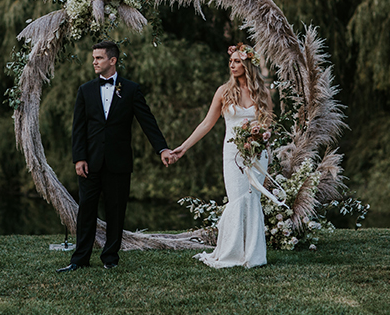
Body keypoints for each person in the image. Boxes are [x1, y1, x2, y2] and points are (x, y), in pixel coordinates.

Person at [57, 41, 174, 272]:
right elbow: (78, 128)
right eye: (93, 58)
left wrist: (162, 149)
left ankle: (110, 258)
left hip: (119, 162)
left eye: (99, 58)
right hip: (90, 162)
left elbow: (147, 122)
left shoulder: (131, 89)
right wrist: (79, 158)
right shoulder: (85, 90)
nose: (94, 62)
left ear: (113, 60)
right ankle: (79, 259)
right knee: (86, 211)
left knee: (116, 211)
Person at [171, 43, 273, 268]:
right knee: (238, 198)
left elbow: (269, 125)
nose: (232, 65)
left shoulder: (263, 92)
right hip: (233, 153)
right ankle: (231, 253)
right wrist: (184, 147)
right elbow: (207, 124)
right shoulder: (224, 91)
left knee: (253, 199)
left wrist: (260, 138)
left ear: (248, 63)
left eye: (237, 61)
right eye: (231, 61)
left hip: (257, 153)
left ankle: (253, 255)